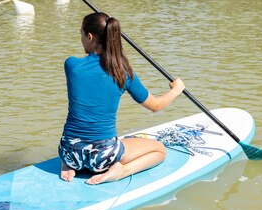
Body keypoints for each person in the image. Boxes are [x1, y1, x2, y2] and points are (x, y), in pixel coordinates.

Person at [59, 12, 186, 185]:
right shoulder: (123, 74)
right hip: (102, 159)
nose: (81, 39)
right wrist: (176, 90)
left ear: (89, 37)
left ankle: (68, 164)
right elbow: (155, 106)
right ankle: (121, 171)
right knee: (160, 150)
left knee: (80, 137)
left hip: (68, 152)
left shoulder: (71, 65)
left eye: (81, 34)